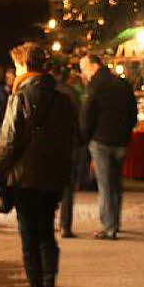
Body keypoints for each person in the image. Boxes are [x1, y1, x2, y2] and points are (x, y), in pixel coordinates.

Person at [0, 42, 77, 287]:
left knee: (30, 239)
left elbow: (8, 142)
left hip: (26, 179)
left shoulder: (21, 97)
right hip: (53, 177)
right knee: (47, 235)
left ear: (26, 66)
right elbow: (72, 137)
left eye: (16, 65)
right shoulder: (63, 98)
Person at [79, 54, 137, 240]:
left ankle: (108, 227)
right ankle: (116, 222)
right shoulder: (122, 84)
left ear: (93, 66)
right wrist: (126, 134)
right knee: (116, 184)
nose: (83, 73)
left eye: (84, 69)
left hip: (101, 141)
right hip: (121, 141)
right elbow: (133, 113)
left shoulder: (95, 86)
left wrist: (86, 139)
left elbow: (87, 116)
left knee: (105, 185)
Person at [55, 70, 85, 238]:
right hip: (68, 144)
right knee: (67, 188)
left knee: (47, 186)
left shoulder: (45, 93)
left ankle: (48, 222)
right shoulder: (72, 93)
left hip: (49, 145)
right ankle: (65, 226)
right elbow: (80, 119)